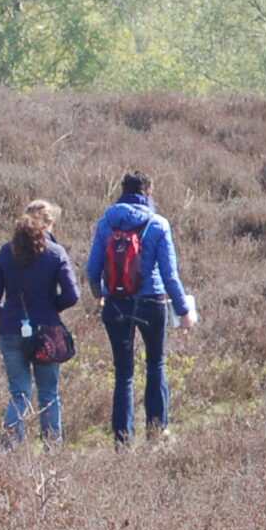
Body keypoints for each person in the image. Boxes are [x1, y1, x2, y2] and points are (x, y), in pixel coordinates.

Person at [89, 171, 196, 447]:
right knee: (155, 364)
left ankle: (123, 441)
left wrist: (99, 294)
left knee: (123, 372)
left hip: (116, 302)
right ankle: (157, 432)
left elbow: (92, 268)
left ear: (122, 191)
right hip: (152, 302)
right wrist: (184, 311)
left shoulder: (106, 222)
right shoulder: (158, 224)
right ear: (148, 192)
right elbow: (170, 274)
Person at [0, 198, 79, 447]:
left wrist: (3, 316)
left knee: (20, 394)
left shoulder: (6, 251)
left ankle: (9, 452)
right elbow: (72, 295)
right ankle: (52, 453)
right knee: (48, 395)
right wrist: (51, 308)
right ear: (48, 223)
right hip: (47, 333)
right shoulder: (56, 253)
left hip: (12, 331)